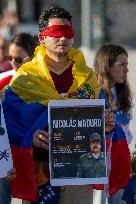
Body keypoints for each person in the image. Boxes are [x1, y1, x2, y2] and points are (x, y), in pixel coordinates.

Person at [2, 7, 114, 204]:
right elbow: (9, 127)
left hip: (79, 174)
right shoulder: (25, 79)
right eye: (56, 33)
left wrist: (106, 125)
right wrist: (32, 136)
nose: (63, 38)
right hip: (40, 173)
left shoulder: (87, 78)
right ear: (42, 38)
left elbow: (102, 118)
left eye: (68, 33)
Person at [0, 33, 38, 204]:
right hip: (4, 154)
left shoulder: (43, 84)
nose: (13, 63)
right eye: (9, 58)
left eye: (18, 59)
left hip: (33, 154)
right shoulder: (3, 80)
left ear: (32, 57)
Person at [93, 44, 132, 204]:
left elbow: (127, 130)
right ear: (107, 67)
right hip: (100, 162)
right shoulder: (95, 93)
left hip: (120, 160)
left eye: (127, 65)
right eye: (121, 65)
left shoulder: (123, 93)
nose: (126, 70)